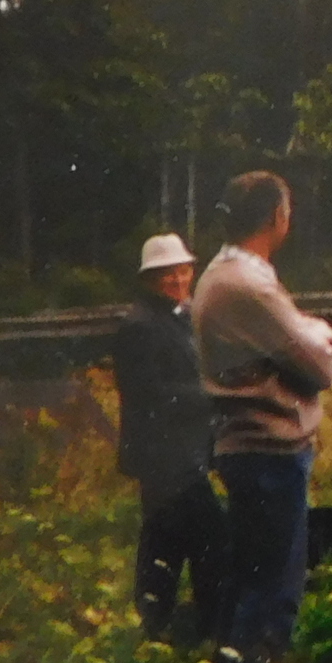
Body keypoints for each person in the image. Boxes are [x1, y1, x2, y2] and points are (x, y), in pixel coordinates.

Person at [194, 170, 332, 663]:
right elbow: (319, 364)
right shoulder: (249, 286)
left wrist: (301, 335)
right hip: (268, 443)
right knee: (272, 574)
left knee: (254, 567)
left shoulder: (226, 275)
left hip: (247, 442)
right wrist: (320, 334)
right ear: (277, 217)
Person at [113, 233, 230, 642]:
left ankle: (162, 625)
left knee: (167, 538)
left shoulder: (181, 316)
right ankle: (206, 626)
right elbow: (149, 394)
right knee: (208, 535)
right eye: (167, 274)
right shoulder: (139, 325)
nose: (178, 280)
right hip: (163, 455)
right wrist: (211, 394)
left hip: (186, 450)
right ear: (149, 278)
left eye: (183, 271)